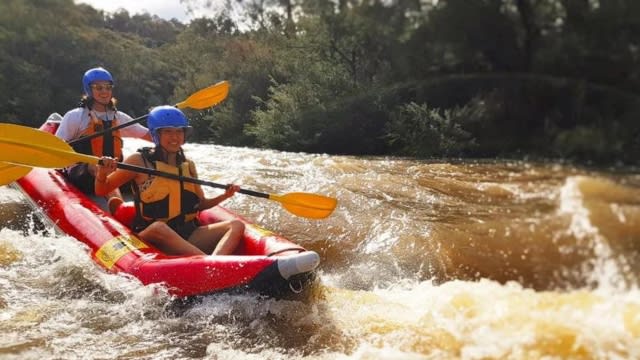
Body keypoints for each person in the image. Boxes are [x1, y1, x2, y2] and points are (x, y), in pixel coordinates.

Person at [94, 106, 244, 256]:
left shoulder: (188, 165)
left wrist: (225, 195)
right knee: (159, 227)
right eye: (168, 131)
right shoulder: (139, 161)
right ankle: (210, 265)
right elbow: (102, 190)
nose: (175, 137)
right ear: (156, 134)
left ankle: (214, 264)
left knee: (236, 225)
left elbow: (201, 204)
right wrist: (102, 173)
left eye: (179, 131)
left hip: (187, 233)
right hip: (152, 235)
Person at [55, 67, 152, 197]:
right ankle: (118, 206)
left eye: (108, 87)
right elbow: (57, 147)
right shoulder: (75, 116)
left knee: (139, 163)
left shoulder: (119, 117)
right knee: (98, 167)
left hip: (113, 173)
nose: (105, 91)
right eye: (99, 88)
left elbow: (149, 136)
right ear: (89, 90)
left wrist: (169, 134)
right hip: (82, 173)